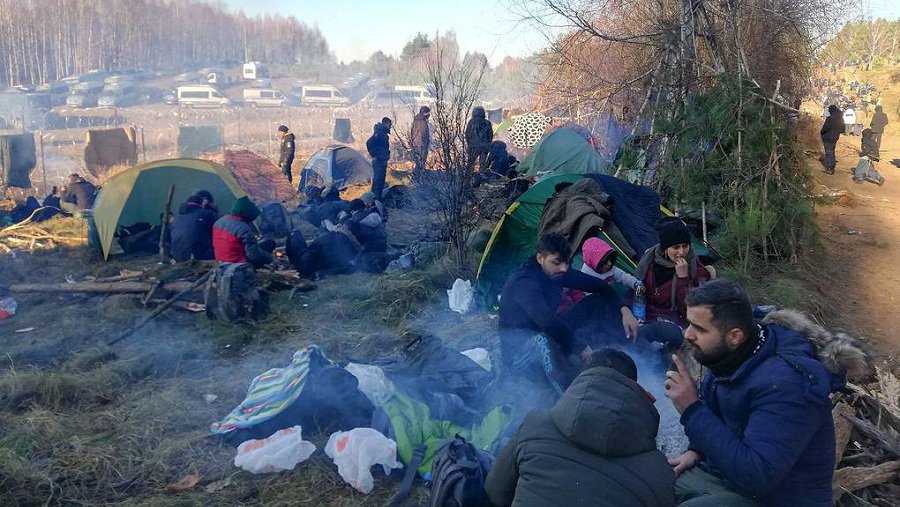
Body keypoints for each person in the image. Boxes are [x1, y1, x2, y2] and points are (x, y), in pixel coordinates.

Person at [664, 279, 867, 507]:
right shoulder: (733, 353)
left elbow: (758, 476)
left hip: (780, 497)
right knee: (653, 484)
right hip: (732, 479)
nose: (687, 334)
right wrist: (696, 450)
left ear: (735, 336)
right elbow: (722, 410)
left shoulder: (786, 384)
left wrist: (691, 409)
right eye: (689, 323)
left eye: (699, 328)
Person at [485, 348, 676, 507]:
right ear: (637, 391)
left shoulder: (534, 425)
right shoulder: (659, 471)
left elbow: (494, 493)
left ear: (582, 379)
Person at [499, 232, 639, 395]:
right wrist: (581, 347)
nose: (564, 268)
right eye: (557, 262)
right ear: (540, 258)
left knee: (595, 302)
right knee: (542, 341)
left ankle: (629, 346)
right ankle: (567, 395)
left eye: (566, 262)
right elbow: (546, 321)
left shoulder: (557, 272)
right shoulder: (523, 282)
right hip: (520, 352)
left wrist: (625, 310)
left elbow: (601, 287)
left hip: (549, 333)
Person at [634, 219, 712, 349]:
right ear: (665, 248)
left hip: (674, 321)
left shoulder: (695, 269)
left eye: (685, 246)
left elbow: (691, 310)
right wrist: (625, 310)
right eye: (676, 247)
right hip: (645, 315)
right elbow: (634, 287)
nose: (681, 252)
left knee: (649, 337)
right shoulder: (649, 262)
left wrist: (683, 279)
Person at [559, 237, 641, 313]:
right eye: (605, 262)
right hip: (592, 301)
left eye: (611, 259)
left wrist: (636, 283)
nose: (609, 264)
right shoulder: (586, 274)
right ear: (594, 262)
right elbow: (589, 296)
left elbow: (623, 276)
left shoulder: (611, 269)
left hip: (608, 296)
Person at [212, 196, 274, 268]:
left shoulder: (219, 222)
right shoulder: (243, 228)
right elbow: (253, 255)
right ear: (248, 215)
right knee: (269, 244)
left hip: (221, 261)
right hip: (238, 264)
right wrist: (270, 258)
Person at [170, 190, 218, 262]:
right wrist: (214, 209)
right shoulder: (207, 214)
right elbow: (220, 230)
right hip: (202, 256)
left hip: (178, 257)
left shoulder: (176, 218)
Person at [366, 117, 392, 200]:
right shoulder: (380, 133)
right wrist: (375, 155)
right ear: (386, 123)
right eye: (390, 124)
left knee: (379, 181)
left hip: (382, 160)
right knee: (378, 181)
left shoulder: (381, 132)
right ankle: (376, 200)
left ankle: (375, 198)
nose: (390, 126)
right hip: (379, 161)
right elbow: (369, 143)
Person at [465, 106, 493, 171]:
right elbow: (490, 135)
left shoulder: (471, 122)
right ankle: (482, 178)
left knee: (470, 163)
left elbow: (467, 134)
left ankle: (468, 177)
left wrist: (470, 144)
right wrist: (488, 144)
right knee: (483, 165)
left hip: (474, 146)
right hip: (484, 147)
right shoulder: (487, 122)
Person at [820, 104, 844, 175]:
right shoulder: (841, 118)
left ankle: (829, 168)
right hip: (835, 137)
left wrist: (821, 133)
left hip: (827, 137)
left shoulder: (830, 118)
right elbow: (843, 130)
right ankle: (832, 167)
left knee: (828, 153)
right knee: (832, 152)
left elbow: (825, 128)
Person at [410, 106, 431, 172]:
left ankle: (418, 173)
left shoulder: (415, 121)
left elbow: (412, 132)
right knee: (421, 161)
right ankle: (420, 175)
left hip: (416, 143)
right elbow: (423, 134)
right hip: (421, 144)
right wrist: (426, 143)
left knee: (418, 160)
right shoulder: (422, 122)